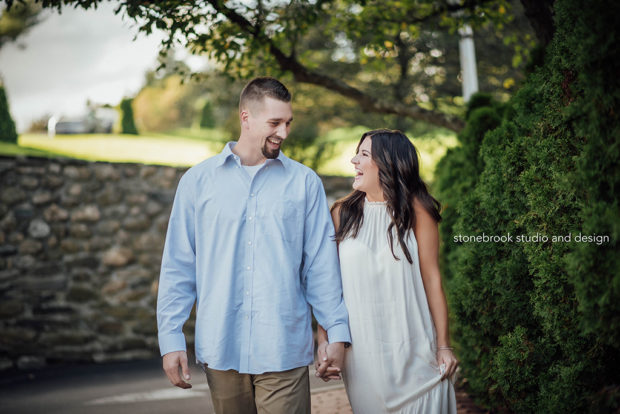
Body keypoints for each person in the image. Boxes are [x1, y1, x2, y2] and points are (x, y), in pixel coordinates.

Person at [157, 77, 351, 414]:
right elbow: (179, 266)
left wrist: (336, 331)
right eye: (275, 123)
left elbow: (320, 266)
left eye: (288, 122)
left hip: (283, 348)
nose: (284, 133)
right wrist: (171, 339)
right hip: (221, 346)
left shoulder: (304, 183)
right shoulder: (197, 183)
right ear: (245, 117)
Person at [316, 129, 459, 413]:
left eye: (364, 154)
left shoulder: (418, 212)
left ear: (388, 163)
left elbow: (432, 279)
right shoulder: (341, 213)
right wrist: (325, 340)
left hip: (415, 351)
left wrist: (443, 346)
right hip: (363, 357)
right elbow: (328, 287)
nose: (353, 160)